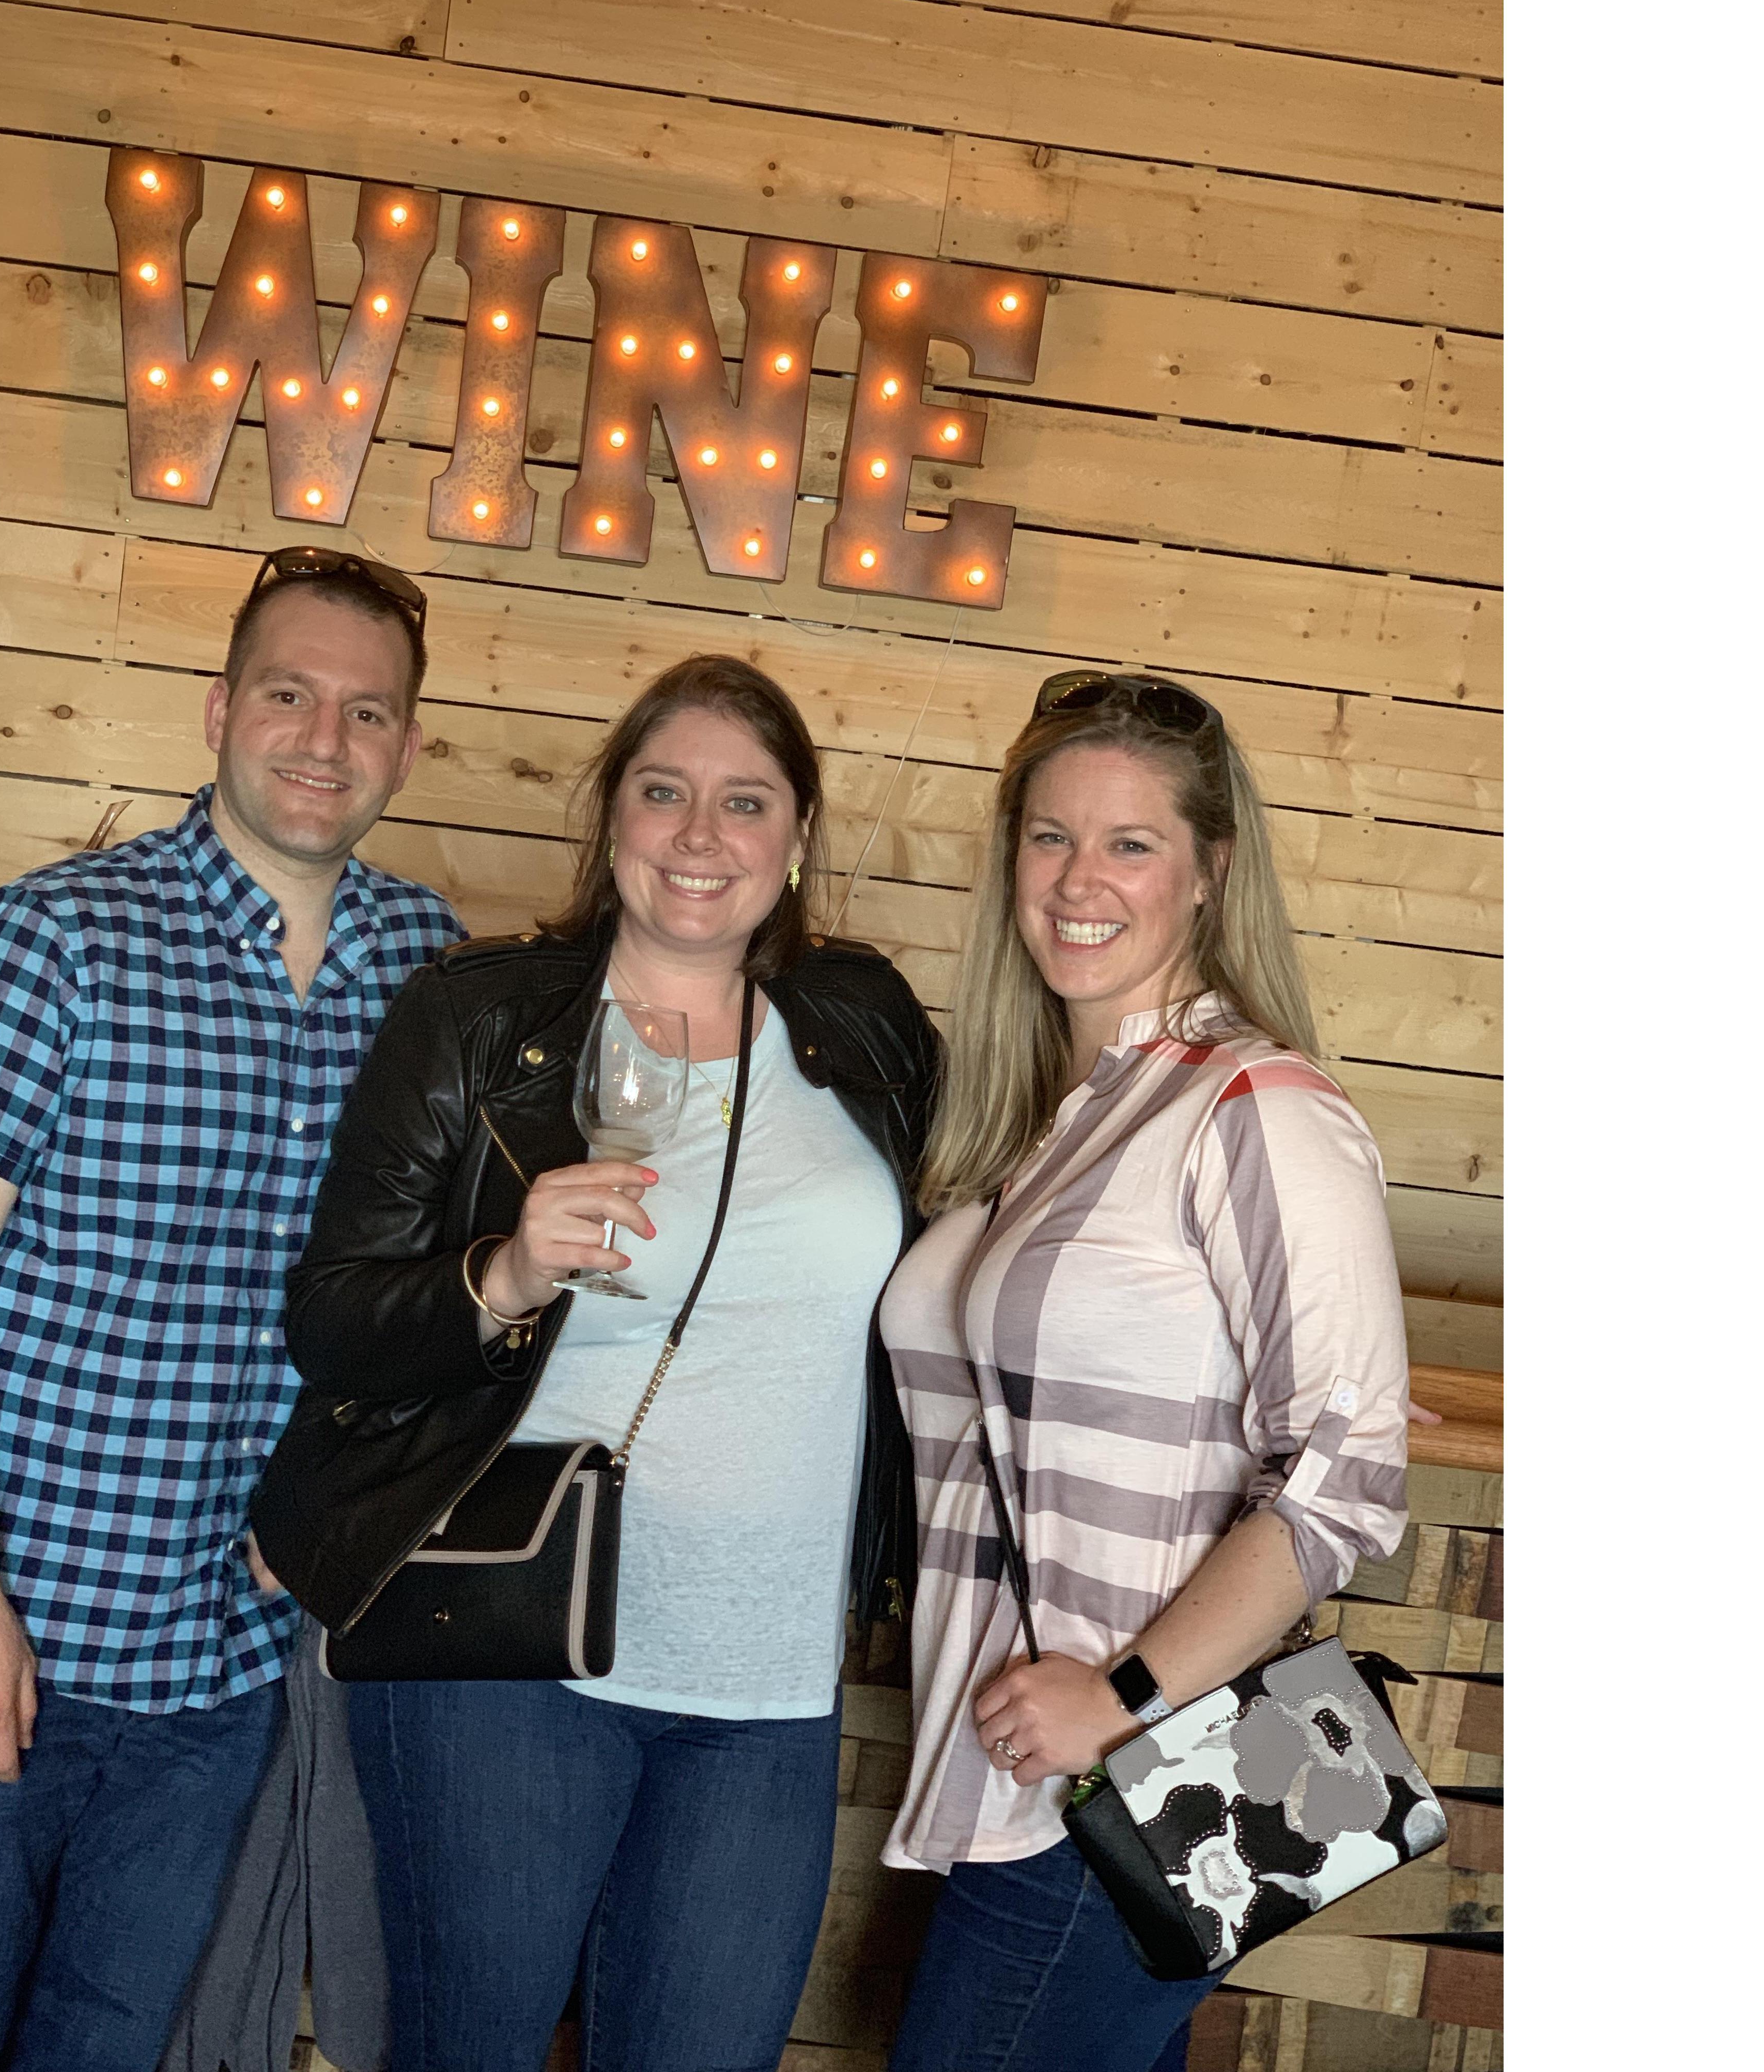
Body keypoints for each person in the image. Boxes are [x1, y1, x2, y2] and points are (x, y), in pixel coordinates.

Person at [250, 654, 939, 2072]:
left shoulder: (867, 1028)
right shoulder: (481, 1016)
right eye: (664, 792)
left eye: (745, 802)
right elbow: (334, 1317)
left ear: (797, 835)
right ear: (612, 815)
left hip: (767, 1686)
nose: (701, 835)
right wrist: (501, 1275)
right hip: (501, 1647)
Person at [0, 547, 462, 2072]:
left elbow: (440, 1302)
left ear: (408, 749)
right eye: (290, 696)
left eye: (368, 712)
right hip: (5, 1640)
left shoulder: (428, 969)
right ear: (222, 710)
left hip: (223, 1668)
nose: (324, 740)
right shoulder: (55, 941)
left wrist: (347, 1509)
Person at [876, 671, 1413, 2072]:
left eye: (1130, 844)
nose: (1078, 880)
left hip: (1121, 1784)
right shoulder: (1058, 1118)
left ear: (1210, 870)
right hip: (1013, 1764)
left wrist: (1117, 1696)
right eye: (1049, 836)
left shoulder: (1254, 1107)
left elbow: (1344, 1483)